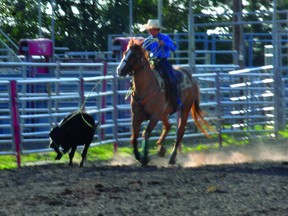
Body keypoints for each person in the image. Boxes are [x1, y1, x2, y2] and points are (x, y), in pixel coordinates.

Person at [141, 19, 182, 109]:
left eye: (150, 29)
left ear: (156, 29)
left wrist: (164, 44)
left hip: (163, 61)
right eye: (148, 29)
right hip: (150, 61)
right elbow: (143, 51)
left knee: (171, 78)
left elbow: (173, 47)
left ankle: (176, 100)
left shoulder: (165, 37)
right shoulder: (147, 40)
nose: (149, 31)